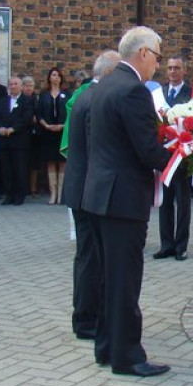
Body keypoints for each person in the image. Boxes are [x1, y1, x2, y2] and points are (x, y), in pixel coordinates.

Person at [82, 27, 172, 377]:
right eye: (158, 56)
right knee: (124, 281)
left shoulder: (104, 83)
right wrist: (186, 152)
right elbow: (146, 150)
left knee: (108, 278)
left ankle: (106, 347)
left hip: (101, 194)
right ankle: (128, 357)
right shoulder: (134, 90)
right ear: (144, 53)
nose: (159, 65)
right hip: (123, 199)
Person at [63, 50, 120, 341]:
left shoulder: (85, 96)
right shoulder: (96, 98)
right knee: (91, 258)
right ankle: (87, 320)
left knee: (88, 256)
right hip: (89, 190)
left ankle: (85, 316)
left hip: (81, 187)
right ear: (109, 73)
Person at [155, 55, 193, 261]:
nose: (172, 72)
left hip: (183, 156)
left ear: (184, 71)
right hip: (163, 155)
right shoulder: (159, 94)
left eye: (177, 68)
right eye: (169, 68)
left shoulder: (191, 94)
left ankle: (181, 246)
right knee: (165, 202)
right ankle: (166, 244)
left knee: (183, 202)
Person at [0, 76, 34, 205]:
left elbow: (26, 118)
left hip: (20, 141)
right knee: (7, 169)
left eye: (16, 84)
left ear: (21, 86)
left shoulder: (27, 101)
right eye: (11, 84)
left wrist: (13, 128)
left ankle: (20, 195)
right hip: (5, 140)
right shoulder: (2, 101)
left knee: (19, 169)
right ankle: (9, 195)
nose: (13, 86)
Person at [35, 67, 68, 205]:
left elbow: (71, 112)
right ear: (49, 78)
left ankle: (61, 194)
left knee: (62, 162)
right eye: (53, 75)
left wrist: (63, 125)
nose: (56, 77)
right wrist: (46, 125)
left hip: (62, 132)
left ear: (61, 78)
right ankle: (52, 193)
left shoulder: (67, 94)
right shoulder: (44, 95)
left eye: (58, 75)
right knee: (50, 162)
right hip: (47, 132)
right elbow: (39, 113)